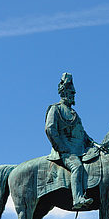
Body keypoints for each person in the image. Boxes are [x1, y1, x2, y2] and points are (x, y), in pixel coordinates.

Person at [45, 73, 94, 210]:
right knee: (77, 167)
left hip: (81, 150)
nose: (73, 94)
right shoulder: (55, 109)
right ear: (64, 92)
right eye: (71, 92)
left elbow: (83, 134)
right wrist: (62, 147)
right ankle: (77, 198)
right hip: (65, 152)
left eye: (74, 92)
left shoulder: (74, 114)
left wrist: (95, 144)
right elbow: (50, 129)